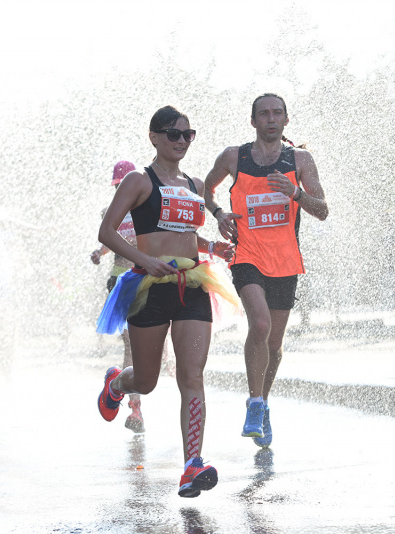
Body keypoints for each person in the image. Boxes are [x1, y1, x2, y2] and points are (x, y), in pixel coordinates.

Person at [95, 105, 239, 498]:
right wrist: (144, 260)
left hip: (192, 283)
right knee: (146, 380)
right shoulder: (139, 180)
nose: (181, 141)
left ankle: (193, 465)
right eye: (173, 134)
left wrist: (213, 248)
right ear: (154, 137)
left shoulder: (194, 184)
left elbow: (185, 235)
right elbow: (107, 232)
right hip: (149, 285)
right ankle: (116, 384)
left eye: (187, 134)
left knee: (192, 376)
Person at [203, 93, 329, 449]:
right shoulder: (234, 157)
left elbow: (322, 210)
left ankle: (264, 403)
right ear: (253, 121)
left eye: (277, 113)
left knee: (274, 344)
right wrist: (219, 214)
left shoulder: (300, 160)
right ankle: (254, 402)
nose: (270, 119)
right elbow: (206, 190)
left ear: (286, 120)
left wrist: (295, 193)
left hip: (286, 260)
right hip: (247, 255)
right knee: (259, 325)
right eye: (263, 114)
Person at [90, 160, 146, 433]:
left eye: (123, 185)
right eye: (116, 186)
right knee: (131, 344)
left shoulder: (145, 208)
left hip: (146, 279)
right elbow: (108, 241)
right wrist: (99, 253)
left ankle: (122, 389)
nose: (119, 191)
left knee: (145, 345)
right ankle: (135, 407)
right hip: (121, 281)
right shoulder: (109, 211)